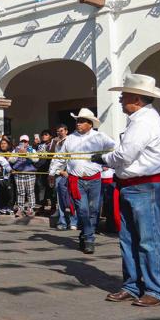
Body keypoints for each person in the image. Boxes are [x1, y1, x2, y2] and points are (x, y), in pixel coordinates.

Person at [94, 74, 160, 307]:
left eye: (124, 95)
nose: (120, 99)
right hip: (133, 186)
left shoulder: (144, 122)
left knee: (148, 241)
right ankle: (133, 285)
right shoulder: (140, 120)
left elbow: (125, 155)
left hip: (145, 187)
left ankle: (156, 289)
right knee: (128, 240)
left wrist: (103, 158)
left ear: (136, 99)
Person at [57, 108, 117, 255]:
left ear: (90, 124)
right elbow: (60, 156)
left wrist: (105, 161)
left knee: (94, 210)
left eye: (82, 121)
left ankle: (85, 233)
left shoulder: (100, 137)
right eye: (77, 121)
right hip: (76, 179)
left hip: (95, 179)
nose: (78, 124)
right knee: (83, 209)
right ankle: (89, 239)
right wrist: (53, 172)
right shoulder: (70, 138)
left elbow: (115, 148)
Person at [50, 124, 76, 229]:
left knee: (71, 198)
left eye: (61, 131)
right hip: (59, 173)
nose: (59, 133)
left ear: (66, 131)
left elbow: (71, 158)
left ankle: (73, 222)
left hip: (70, 173)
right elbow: (56, 159)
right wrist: (53, 172)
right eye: (57, 131)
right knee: (60, 199)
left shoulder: (71, 141)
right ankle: (62, 222)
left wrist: (67, 171)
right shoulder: (57, 143)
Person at [11, 135, 38, 217]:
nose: (23, 143)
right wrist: (17, 154)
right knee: (20, 192)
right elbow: (11, 160)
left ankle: (31, 208)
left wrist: (26, 154)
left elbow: (36, 159)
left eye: (25, 141)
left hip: (30, 173)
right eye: (22, 141)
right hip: (19, 173)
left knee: (30, 192)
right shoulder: (16, 149)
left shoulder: (31, 149)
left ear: (28, 142)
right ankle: (20, 209)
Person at [35, 131, 55, 214]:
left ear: (50, 136)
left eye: (46, 135)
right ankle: (41, 206)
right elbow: (36, 156)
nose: (44, 136)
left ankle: (53, 207)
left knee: (51, 188)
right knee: (41, 188)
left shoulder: (54, 144)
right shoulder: (40, 145)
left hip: (51, 169)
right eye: (42, 135)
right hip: (41, 169)